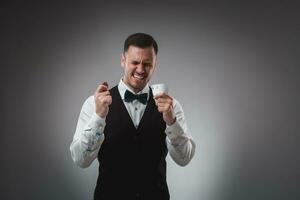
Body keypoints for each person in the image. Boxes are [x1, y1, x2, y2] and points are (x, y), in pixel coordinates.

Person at [70, 33, 196, 200]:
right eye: (135, 62)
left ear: (155, 65)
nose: (140, 70)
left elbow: (184, 159)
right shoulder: (94, 104)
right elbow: (80, 160)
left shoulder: (171, 106)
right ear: (123, 60)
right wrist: (99, 117)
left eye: (147, 64)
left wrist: (171, 122)